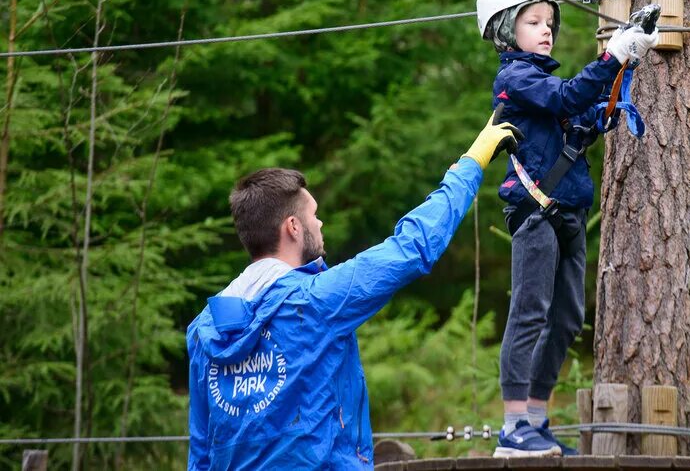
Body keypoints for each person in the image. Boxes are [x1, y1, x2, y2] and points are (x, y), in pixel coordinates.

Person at [186, 109, 522, 470]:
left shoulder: (204, 329)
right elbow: (411, 248)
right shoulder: (315, 301)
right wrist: (471, 163)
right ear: (294, 227)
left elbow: (201, 452)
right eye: (313, 214)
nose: (320, 221)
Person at [475, 0, 659, 458]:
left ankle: (536, 419)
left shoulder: (546, 83)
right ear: (503, 31)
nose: (546, 30)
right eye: (532, 22)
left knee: (567, 316)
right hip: (535, 212)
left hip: (570, 210)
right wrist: (612, 56)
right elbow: (564, 97)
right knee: (530, 313)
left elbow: (577, 112)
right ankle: (513, 427)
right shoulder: (515, 80)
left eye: (550, 22)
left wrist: (614, 87)